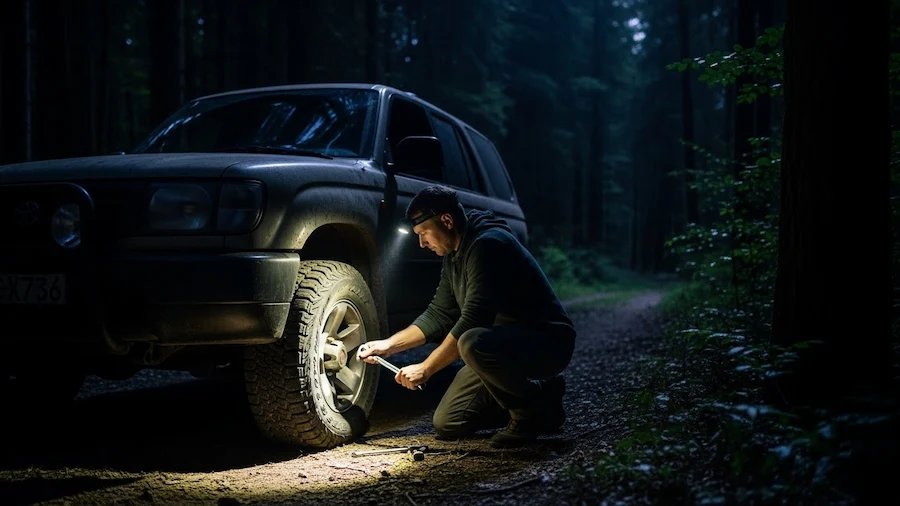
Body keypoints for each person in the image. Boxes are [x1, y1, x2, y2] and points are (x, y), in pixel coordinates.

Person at [358, 184, 577, 448]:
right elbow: (439, 313)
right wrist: (388, 346)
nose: (422, 243)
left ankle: (527, 416)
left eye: (424, 233)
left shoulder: (488, 246)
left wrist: (425, 368)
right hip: (498, 348)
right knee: (449, 423)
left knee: (472, 341)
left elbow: (474, 319)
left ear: (446, 221)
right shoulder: (454, 254)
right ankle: (543, 399)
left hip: (546, 342)